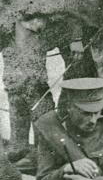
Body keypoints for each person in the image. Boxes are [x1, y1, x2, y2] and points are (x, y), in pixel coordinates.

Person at [5, 12, 84, 168]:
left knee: (36, 88)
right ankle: (19, 149)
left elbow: (72, 2)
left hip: (53, 24)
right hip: (15, 26)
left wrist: (76, 38)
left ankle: (45, 153)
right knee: (15, 88)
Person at [34, 78, 103, 180]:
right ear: (69, 107)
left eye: (97, 112)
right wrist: (65, 170)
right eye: (86, 113)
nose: (93, 120)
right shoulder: (52, 127)